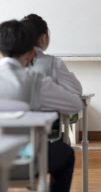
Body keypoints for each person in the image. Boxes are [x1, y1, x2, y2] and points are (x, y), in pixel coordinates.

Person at [0, 20, 83, 192]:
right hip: (26, 165)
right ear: (31, 53)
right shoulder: (36, 82)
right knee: (66, 153)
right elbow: (75, 104)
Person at [22, 13, 82, 123]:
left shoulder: (7, 68)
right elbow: (76, 91)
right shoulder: (54, 63)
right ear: (43, 38)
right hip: (47, 134)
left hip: (9, 134)